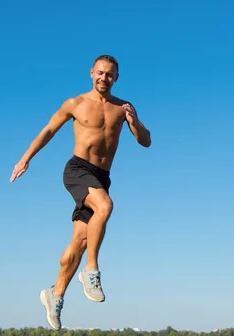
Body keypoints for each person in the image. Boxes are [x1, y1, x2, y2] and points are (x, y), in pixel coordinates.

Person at [10, 54, 151, 330]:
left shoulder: (123, 108)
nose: (104, 78)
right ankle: (91, 271)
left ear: (116, 78)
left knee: (81, 239)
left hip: (102, 176)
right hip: (77, 170)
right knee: (105, 207)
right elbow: (49, 130)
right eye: (99, 73)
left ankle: (56, 294)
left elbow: (146, 141)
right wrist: (26, 158)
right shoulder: (76, 103)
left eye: (109, 74)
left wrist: (134, 122)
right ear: (91, 73)